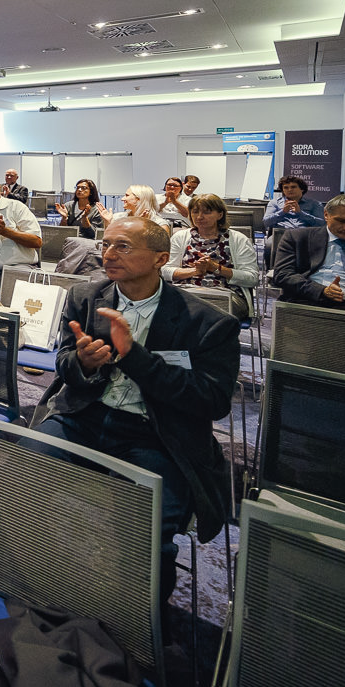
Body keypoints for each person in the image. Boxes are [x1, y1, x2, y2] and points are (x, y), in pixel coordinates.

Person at [24, 217, 238, 606]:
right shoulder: (86, 296)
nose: (109, 254)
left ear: (161, 258)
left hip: (158, 435)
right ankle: (38, 576)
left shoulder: (208, 323)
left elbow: (212, 401)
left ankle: (136, 620)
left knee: (143, 530)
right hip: (84, 416)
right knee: (20, 477)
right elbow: (64, 365)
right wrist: (84, 363)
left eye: (123, 246)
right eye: (105, 244)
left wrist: (136, 358)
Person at [162, 194, 259, 319]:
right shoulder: (180, 237)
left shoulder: (238, 239)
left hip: (224, 295)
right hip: (186, 291)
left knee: (203, 314)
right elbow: (164, 271)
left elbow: (252, 278)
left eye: (207, 212)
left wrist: (216, 268)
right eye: (195, 212)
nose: (199, 217)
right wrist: (195, 271)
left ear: (220, 215)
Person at [95, 184, 170, 229]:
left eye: (127, 195)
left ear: (139, 199)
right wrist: (108, 223)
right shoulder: (117, 218)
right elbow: (111, 242)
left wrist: (142, 227)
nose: (122, 199)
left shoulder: (160, 225)